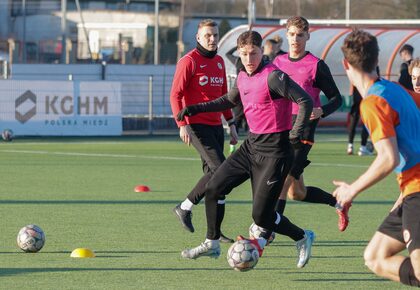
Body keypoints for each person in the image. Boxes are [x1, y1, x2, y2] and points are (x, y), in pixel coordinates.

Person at [178, 30, 316, 268]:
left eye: (253, 53)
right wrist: (196, 108)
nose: (249, 59)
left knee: (262, 217)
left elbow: (305, 101)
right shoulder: (242, 74)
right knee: (213, 187)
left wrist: (295, 133)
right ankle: (211, 243)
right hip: (251, 146)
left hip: (275, 153)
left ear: (262, 52)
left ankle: (302, 237)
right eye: (244, 54)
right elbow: (230, 100)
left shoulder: (273, 76)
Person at [334, 29, 420, 287]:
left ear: (345, 64)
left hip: (417, 189)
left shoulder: (372, 102)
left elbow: (388, 158)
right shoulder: (395, 89)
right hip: (410, 190)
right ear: (377, 60)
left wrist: (352, 190)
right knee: (375, 257)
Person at [272, 16, 348, 231]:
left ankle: (265, 233)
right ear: (286, 34)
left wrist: (321, 110)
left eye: (300, 35)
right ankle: (339, 203)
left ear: (307, 36)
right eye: (292, 34)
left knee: (283, 178)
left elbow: (337, 99)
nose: (295, 39)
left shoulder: (316, 65)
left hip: (304, 128)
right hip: (281, 127)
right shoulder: (277, 63)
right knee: (297, 193)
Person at [170, 19, 238, 243]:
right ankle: (185, 207)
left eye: (215, 35)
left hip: (216, 125)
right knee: (221, 171)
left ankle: (211, 230)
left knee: (215, 179)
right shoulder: (189, 61)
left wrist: (232, 123)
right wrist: (183, 125)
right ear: (198, 38)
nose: (212, 39)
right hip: (196, 125)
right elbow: (175, 95)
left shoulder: (219, 61)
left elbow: (225, 98)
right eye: (208, 35)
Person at [347, 85, 373, 156]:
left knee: (354, 121)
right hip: (366, 94)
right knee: (365, 122)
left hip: (357, 93)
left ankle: (350, 146)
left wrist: (351, 90)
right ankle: (363, 148)